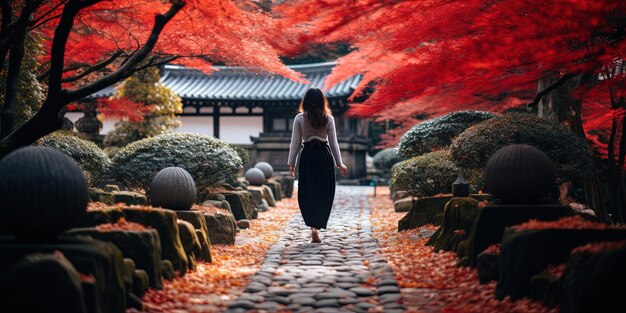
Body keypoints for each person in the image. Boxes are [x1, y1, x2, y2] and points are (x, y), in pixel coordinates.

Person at [287, 88, 348, 243]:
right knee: (324, 190)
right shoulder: (328, 118)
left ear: (305, 101)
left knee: (307, 191)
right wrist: (339, 162)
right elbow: (334, 143)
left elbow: (295, 142)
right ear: (322, 101)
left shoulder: (299, 118)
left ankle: (313, 228)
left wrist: (291, 163)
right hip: (324, 157)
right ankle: (319, 222)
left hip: (307, 156)